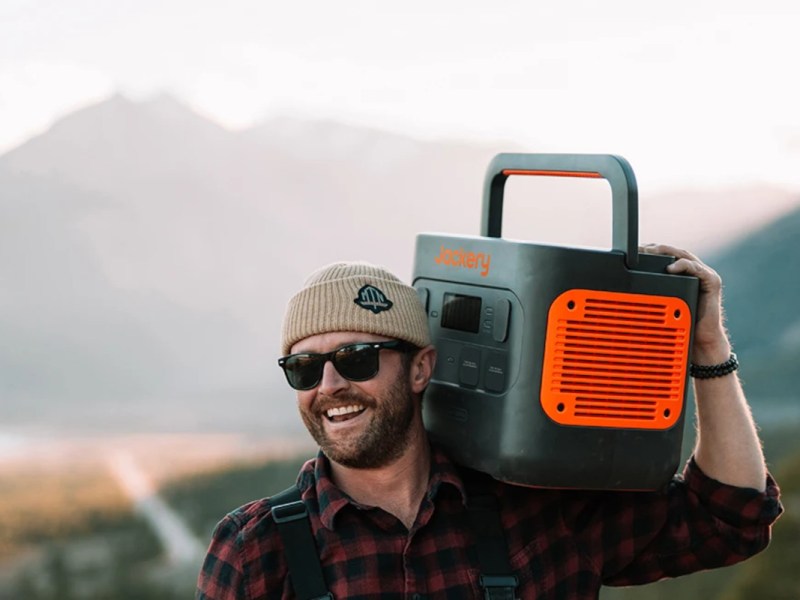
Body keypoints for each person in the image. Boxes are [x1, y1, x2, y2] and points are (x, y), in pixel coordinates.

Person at [196, 245, 782, 599]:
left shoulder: (538, 509)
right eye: (304, 369)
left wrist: (707, 346)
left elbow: (728, 518)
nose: (329, 387)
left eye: (356, 359)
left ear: (421, 367)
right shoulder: (257, 552)